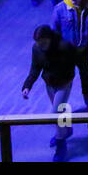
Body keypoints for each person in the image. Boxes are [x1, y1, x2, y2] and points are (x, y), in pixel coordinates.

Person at [21, 25, 78, 162]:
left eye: (44, 43)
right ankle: (67, 129)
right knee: (60, 110)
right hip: (50, 85)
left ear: (50, 39)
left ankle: (61, 144)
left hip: (64, 84)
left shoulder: (64, 47)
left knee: (55, 114)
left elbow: (76, 61)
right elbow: (35, 68)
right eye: (39, 43)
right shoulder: (36, 49)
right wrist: (27, 86)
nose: (41, 46)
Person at [52, 0, 88, 108]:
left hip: (82, 49)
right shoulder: (60, 9)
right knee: (67, 77)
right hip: (66, 51)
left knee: (85, 74)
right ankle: (61, 102)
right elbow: (55, 31)